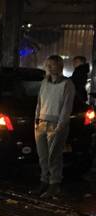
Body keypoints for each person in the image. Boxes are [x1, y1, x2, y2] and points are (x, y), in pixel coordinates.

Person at [31, 55, 75, 198]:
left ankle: (54, 185)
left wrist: (60, 126)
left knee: (54, 157)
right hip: (41, 124)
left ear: (60, 66)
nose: (49, 67)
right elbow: (39, 102)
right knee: (43, 157)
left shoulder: (67, 84)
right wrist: (36, 121)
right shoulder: (44, 82)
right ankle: (44, 182)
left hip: (55, 125)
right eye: (47, 65)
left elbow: (66, 107)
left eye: (53, 65)